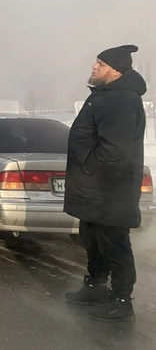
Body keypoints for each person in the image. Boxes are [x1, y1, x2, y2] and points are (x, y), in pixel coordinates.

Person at [64, 45, 147, 322]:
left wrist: (88, 167)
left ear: (115, 71)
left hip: (111, 188)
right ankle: (96, 286)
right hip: (96, 189)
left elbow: (115, 148)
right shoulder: (106, 95)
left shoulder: (121, 99)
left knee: (114, 243)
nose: (94, 68)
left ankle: (122, 300)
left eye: (99, 64)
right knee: (93, 239)